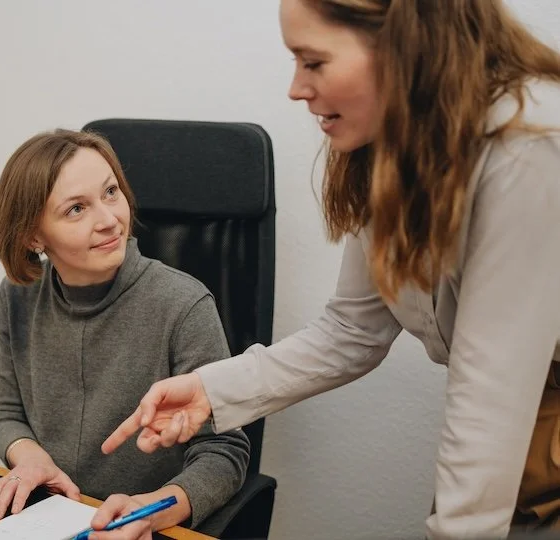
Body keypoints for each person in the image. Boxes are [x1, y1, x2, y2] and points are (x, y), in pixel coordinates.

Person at [100, 0, 560, 538]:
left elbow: (490, 393)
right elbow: (353, 330)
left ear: (403, 46)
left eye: (313, 62)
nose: (296, 88)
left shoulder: (528, 149)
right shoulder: (387, 150)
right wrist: (211, 390)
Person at [0, 128, 250, 537]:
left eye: (111, 192)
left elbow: (224, 451)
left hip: (139, 528)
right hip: (50, 519)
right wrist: (30, 457)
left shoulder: (183, 304)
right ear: (34, 236)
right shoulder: (19, 296)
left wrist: (156, 509)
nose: (109, 220)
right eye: (76, 209)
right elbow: (7, 414)